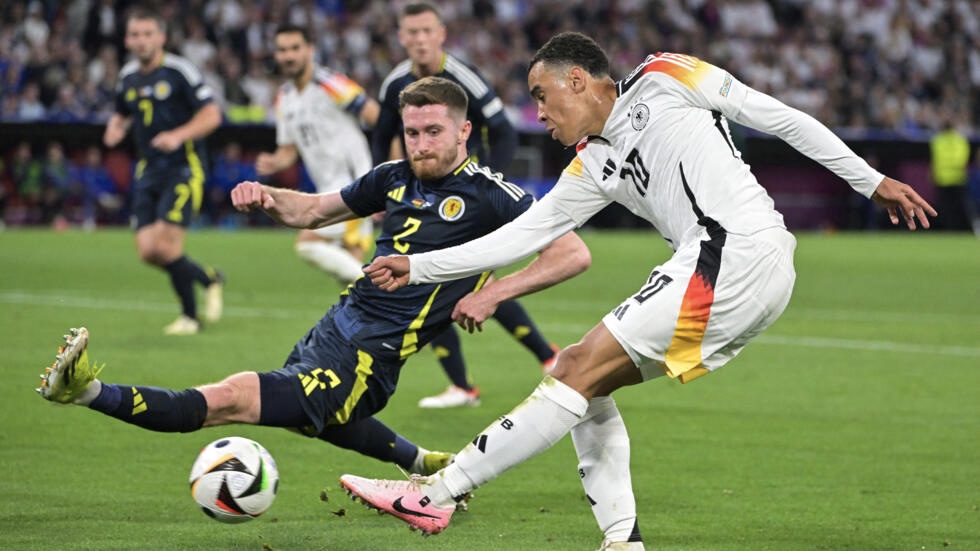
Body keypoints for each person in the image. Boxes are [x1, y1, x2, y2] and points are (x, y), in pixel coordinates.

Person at [338, 32, 938, 550]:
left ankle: (436, 493)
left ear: (577, 80)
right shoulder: (591, 164)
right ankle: (622, 538)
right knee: (584, 381)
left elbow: (776, 116)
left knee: (576, 371)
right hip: (734, 269)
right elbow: (523, 235)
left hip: (734, 253)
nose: (538, 113)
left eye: (541, 96)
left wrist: (870, 180)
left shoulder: (665, 76)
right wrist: (419, 267)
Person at [36, 77, 590, 491]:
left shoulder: (492, 194)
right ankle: (423, 463)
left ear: (464, 131)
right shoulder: (393, 177)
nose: (420, 144)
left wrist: (491, 293)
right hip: (333, 329)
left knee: (231, 399)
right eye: (411, 132)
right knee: (314, 420)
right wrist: (268, 196)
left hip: (369, 360)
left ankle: (85, 392)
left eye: (433, 132)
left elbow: (572, 253)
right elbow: (314, 211)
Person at [374, 0, 560, 408]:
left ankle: (487, 377)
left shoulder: (464, 77)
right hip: (421, 197)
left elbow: (503, 131)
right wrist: (382, 192)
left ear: (441, 34)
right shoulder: (394, 84)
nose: (420, 39)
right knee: (447, 280)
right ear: (401, 37)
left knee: (448, 279)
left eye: (427, 31)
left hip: (463, 198)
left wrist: (483, 184)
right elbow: (381, 135)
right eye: (412, 32)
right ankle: (540, 359)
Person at [103, 8, 224, 336]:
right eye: (135, 35)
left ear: (162, 38)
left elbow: (212, 116)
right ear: (127, 40)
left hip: (184, 168)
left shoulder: (179, 71)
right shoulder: (128, 76)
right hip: (148, 170)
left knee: (167, 248)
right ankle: (208, 278)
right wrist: (115, 127)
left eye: (147, 34)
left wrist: (178, 136)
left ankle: (190, 318)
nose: (141, 41)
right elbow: (122, 112)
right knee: (148, 251)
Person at [254, 24, 379, 285]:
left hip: (352, 185)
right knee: (349, 280)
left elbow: (376, 117)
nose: (289, 56)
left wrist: (383, 175)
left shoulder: (331, 84)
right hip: (326, 189)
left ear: (309, 50)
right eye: (282, 50)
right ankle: (380, 298)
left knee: (308, 244)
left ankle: (384, 293)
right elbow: (289, 150)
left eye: (295, 48)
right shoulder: (284, 97)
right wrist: (274, 162)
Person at [929, 115, 972, 231]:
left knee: (945, 208)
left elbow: (935, 160)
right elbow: (961, 160)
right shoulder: (961, 140)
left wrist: (933, 174)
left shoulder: (937, 141)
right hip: (958, 178)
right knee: (959, 207)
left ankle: (947, 229)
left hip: (942, 179)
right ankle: (960, 229)